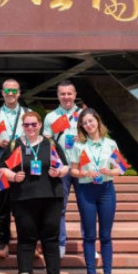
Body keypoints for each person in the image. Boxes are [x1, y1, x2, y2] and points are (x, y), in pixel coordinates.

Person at [0, 110, 70, 274]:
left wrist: (59, 172)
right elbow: (1, 168)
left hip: (51, 195)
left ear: (39, 125)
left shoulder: (50, 143)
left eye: (34, 124)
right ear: (23, 126)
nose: (30, 128)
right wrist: (13, 176)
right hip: (23, 197)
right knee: (26, 238)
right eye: (27, 125)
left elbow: (65, 165)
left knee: (51, 237)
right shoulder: (16, 144)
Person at [70, 107, 123, 274]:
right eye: (84, 123)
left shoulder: (110, 144)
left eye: (91, 121)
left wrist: (111, 171)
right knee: (89, 234)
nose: (88, 125)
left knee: (106, 234)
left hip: (106, 190)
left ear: (98, 121)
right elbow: (73, 171)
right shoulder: (79, 146)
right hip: (86, 190)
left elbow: (121, 168)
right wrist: (85, 173)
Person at [0, 78, 27, 260]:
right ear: (2, 93)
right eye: (7, 91)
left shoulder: (27, 113)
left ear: (19, 93)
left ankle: (27, 242)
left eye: (14, 91)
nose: (11, 94)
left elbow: (35, 135)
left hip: (23, 165)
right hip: (2, 165)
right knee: (2, 206)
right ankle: (3, 242)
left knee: (26, 206)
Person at [43, 79, 83, 259]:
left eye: (69, 93)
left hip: (82, 166)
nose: (66, 97)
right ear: (58, 96)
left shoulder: (84, 115)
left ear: (75, 94)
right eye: (62, 94)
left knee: (86, 207)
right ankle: (60, 242)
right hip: (61, 167)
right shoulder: (51, 117)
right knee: (60, 208)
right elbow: (47, 141)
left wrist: (81, 140)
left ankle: (88, 243)